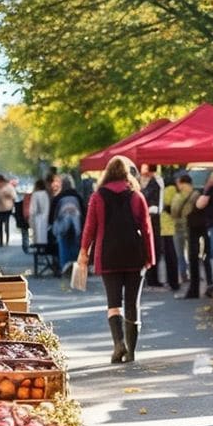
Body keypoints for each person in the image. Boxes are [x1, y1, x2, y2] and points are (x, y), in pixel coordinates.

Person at [77, 156, 154, 364]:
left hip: (108, 254)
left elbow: (90, 227)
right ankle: (131, 351)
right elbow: (146, 229)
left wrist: (84, 251)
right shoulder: (136, 196)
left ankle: (118, 343)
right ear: (127, 174)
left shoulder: (98, 197)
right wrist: (150, 256)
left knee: (113, 303)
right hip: (134, 255)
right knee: (132, 303)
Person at [175, 174, 212, 299]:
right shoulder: (200, 194)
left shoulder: (180, 195)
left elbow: (175, 211)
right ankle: (210, 285)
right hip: (203, 227)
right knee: (205, 258)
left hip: (191, 227)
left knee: (193, 258)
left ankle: (194, 289)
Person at [50, 174, 84, 272]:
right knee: (76, 245)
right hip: (77, 226)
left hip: (62, 227)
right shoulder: (78, 197)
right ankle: (76, 266)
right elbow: (84, 212)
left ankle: (64, 265)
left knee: (63, 244)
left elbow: (52, 216)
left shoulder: (58, 198)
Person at [140, 163, 164, 288]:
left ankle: (151, 278)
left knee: (153, 247)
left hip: (152, 218)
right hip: (154, 219)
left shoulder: (153, 183)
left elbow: (149, 200)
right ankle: (152, 278)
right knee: (154, 248)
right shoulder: (157, 182)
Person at [160, 177, 180, 291]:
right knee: (172, 257)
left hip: (164, 227)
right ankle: (174, 282)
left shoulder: (165, 190)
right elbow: (172, 208)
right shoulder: (172, 190)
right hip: (170, 227)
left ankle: (172, 281)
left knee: (169, 257)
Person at [0, 174, 17, 247]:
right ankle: (1, 241)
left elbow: (14, 197)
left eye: (0, 181)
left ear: (3, 181)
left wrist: (8, 195)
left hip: (7, 209)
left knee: (6, 225)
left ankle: (7, 240)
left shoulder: (9, 187)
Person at [29, 179, 50, 246]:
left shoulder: (35, 194)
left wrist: (30, 217)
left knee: (38, 237)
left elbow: (33, 209)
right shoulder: (46, 194)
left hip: (37, 219)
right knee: (43, 237)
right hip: (45, 218)